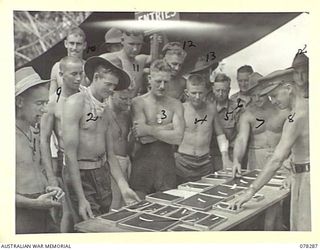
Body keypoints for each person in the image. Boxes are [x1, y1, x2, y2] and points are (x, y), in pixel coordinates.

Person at [229, 68, 311, 231]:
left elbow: (276, 160)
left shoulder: (296, 116)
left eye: (274, 95)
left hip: (306, 178)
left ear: (288, 88)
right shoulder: (304, 108)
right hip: (299, 173)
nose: (272, 100)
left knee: (304, 231)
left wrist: (250, 192)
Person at [62, 55, 140, 221]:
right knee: (88, 226)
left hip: (101, 173)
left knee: (103, 221)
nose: (112, 90)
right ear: (96, 78)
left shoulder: (105, 109)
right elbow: (70, 156)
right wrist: (81, 198)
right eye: (108, 84)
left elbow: (110, 155)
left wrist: (123, 186)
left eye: (114, 86)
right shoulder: (75, 103)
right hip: (81, 175)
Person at [15, 67, 64, 234]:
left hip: (42, 209)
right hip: (19, 217)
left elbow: (34, 169)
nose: (44, 110)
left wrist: (50, 187)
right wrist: (35, 203)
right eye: (38, 103)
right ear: (19, 102)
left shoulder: (33, 132)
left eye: (45, 103)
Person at [129, 59, 185, 198]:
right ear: (149, 79)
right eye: (158, 81)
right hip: (142, 166)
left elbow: (178, 138)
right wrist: (168, 128)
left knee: (167, 211)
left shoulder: (176, 105)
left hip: (166, 167)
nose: (162, 86)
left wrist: (149, 129)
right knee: (138, 209)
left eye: (166, 82)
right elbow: (141, 137)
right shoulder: (138, 102)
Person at [40, 56, 84, 232]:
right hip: (66, 161)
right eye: (74, 74)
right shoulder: (52, 102)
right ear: (61, 74)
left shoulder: (87, 96)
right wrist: (51, 176)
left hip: (91, 163)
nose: (79, 78)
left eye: (81, 73)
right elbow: (43, 140)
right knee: (69, 213)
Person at [174, 74, 232, 184]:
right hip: (182, 163)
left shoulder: (211, 108)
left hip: (205, 164)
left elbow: (220, 134)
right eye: (193, 93)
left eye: (200, 93)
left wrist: (225, 157)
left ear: (205, 92)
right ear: (186, 92)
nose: (197, 97)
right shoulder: (180, 109)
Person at [101, 29, 161, 97]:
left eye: (138, 44)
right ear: (122, 40)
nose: (135, 49)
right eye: (131, 44)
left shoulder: (141, 60)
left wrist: (156, 42)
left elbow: (156, 57)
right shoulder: (108, 59)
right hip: (112, 104)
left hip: (132, 103)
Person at [109, 89, 134, 209]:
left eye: (130, 99)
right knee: (113, 203)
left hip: (126, 162)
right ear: (112, 94)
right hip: (110, 164)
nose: (128, 102)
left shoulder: (127, 114)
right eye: (123, 99)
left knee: (125, 204)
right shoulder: (103, 114)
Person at [49, 27, 89, 95]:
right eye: (71, 43)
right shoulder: (57, 67)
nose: (74, 48)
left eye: (78, 44)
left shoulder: (88, 67)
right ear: (66, 43)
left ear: (84, 45)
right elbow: (52, 97)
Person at [210, 73, 238, 171]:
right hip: (208, 157)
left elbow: (240, 136)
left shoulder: (236, 109)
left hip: (229, 155)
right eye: (218, 90)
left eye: (224, 91)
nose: (221, 94)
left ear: (229, 90)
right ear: (213, 89)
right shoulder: (206, 107)